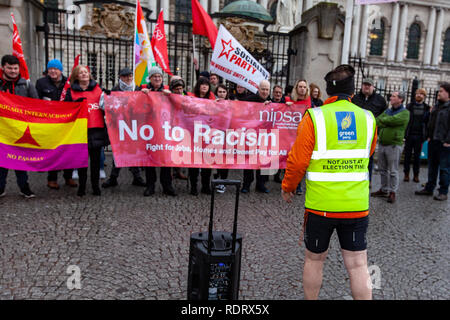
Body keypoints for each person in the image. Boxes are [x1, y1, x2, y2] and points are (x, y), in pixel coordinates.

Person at [281, 64, 377, 300]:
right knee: (357, 265)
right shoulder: (367, 117)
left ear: (327, 90)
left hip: (321, 205)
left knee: (314, 260)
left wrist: (288, 187)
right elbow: (369, 151)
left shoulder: (314, 116)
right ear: (352, 91)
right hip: (355, 205)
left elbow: (297, 160)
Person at [64, 65, 108, 197]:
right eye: (80, 73)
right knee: (81, 161)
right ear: (76, 76)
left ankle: (95, 187)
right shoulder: (71, 91)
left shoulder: (99, 89)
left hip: (96, 129)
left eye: (85, 72)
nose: (84, 74)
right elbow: (66, 109)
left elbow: (106, 106)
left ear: (89, 75)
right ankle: (82, 187)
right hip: (80, 130)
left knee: (95, 162)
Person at [36, 59, 78, 190]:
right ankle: (52, 179)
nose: (53, 71)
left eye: (56, 69)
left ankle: (68, 176)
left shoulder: (69, 83)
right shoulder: (41, 83)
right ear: (47, 70)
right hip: (50, 124)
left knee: (68, 150)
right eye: (50, 69)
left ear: (61, 70)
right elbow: (35, 101)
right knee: (53, 151)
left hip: (66, 123)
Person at [0, 54, 38, 198]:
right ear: (3, 67)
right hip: (2, 130)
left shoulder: (27, 84)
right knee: (1, 160)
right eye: (9, 68)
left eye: (15, 68)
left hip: (20, 129)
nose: (13, 71)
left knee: (19, 160)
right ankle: (0, 187)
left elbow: (37, 105)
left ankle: (24, 187)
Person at [102, 68, 146, 189]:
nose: (128, 78)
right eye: (125, 76)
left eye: (130, 76)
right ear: (120, 77)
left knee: (134, 151)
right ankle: (113, 177)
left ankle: (137, 177)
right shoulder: (115, 90)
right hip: (120, 126)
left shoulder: (137, 90)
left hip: (134, 125)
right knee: (118, 152)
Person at [141, 66, 176, 197]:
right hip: (149, 129)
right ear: (150, 78)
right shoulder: (143, 89)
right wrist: (141, 94)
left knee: (165, 159)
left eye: (159, 77)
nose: (157, 78)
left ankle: (167, 185)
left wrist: (171, 96)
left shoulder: (167, 90)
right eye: (155, 76)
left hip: (165, 129)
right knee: (150, 159)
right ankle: (150, 185)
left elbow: (181, 100)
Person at [370, 91, 410, 204]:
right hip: (382, 143)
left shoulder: (405, 113)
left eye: (393, 96)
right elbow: (377, 121)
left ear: (400, 99)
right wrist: (387, 121)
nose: (391, 98)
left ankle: (393, 192)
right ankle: (384, 189)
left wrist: (386, 121)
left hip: (394, 145)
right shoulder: (388, 110)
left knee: (393, 170)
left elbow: (394, 120)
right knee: (383, 169)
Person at [415, 83, 450, 201]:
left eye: (441, 91)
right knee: (432, 167)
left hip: (444, 143)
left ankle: (443, 191)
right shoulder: (436, 106)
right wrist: (428, 136)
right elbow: (429, 122)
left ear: (448, 93)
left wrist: (448, 141)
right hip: (433, 140)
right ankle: (429, 188)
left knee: (444, 168)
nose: (438, 93)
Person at [352, 78, 387, 185]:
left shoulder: (380, 100)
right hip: (356, 133)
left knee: (369, 157)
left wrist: (378, 128)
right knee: (355, 156)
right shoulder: (355, 98)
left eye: (369, 85)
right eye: (364, 85)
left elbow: (384, 115)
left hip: (371, 133)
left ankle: (368, 180)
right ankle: (354, 179)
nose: (366, 87)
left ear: (373, 87)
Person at [241, 80, 272, 194]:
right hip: (251, 136)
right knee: (249, 161)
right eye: (263, 89)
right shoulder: (249, 100)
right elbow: (237, 107)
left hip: (265, 137)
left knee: (263, 162)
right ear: (258, 89)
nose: (264, 91)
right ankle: (246, 185)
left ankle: (261, 184)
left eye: (267, 89)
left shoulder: (272, 102)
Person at [187, 76, 216, 195]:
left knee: (207, 162)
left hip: (207, 135)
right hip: (193, 135)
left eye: (206, 84)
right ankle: (194, 186)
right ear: (198, 86)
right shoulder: (191, 98)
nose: (204, 86)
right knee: (193, 162)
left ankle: (205, 186)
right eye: (202, 84)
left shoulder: (213, 99)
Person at [286, 79, 313, 194]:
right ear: (296, 88)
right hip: (288, 133)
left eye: (304, 87)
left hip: (302, 134)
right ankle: (288, 183)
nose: (302, 89)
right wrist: (285, 106)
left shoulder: (309, 101)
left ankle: (298, 185)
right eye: (300, 86)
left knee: (300, 159)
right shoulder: (288, 100)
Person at [403, 88, 430, 183]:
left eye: (421, 94)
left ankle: (416, 175)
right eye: (417, 93)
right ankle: (406, 174)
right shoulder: (409, 106)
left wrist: (427, 135)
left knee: (417, 157)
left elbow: (428, 123)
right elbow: (405, 120)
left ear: (424, 96)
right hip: (409, 134)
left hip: (420, 135)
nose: (419, 95)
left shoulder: (427, 108)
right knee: (407, 156)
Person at [214, 84, 230, 193]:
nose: (222, 94)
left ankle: (223, 182)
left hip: (227, 135)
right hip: (215, 135)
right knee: (215, 158)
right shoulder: (212, 103)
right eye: (220, 92)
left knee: (225, 159)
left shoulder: (232, 104)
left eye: (224, 92)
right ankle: (217, 177)